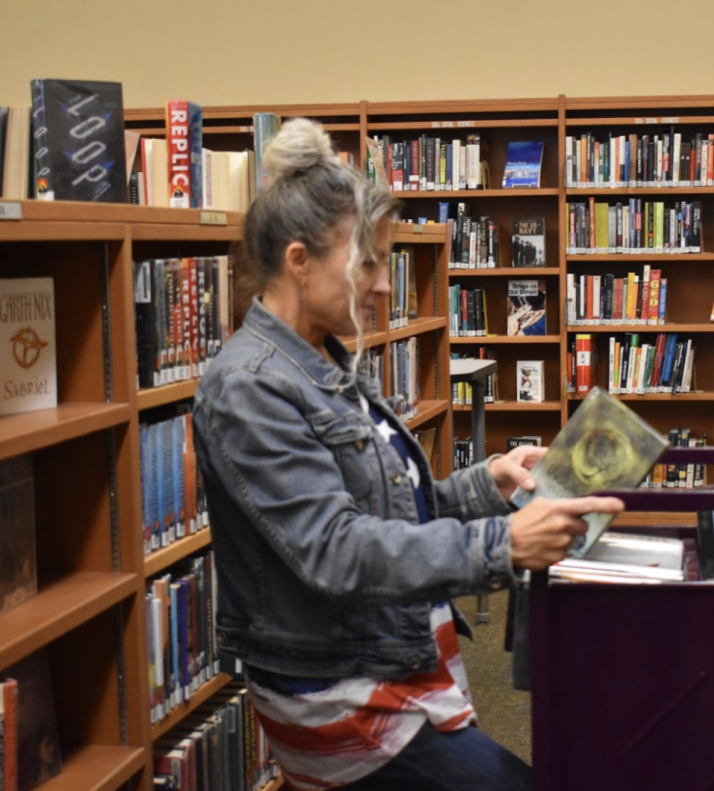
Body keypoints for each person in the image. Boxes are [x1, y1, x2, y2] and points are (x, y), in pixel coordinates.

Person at [192, 118, 624, 791]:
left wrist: (489, 485)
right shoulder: (250, 386)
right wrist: (501, 543)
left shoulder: (323, 360)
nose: (385, 286)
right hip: (339, 696)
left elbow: (387, 510)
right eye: (367, 262)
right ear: (300, 261)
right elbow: (335, 549)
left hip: (393, 662)